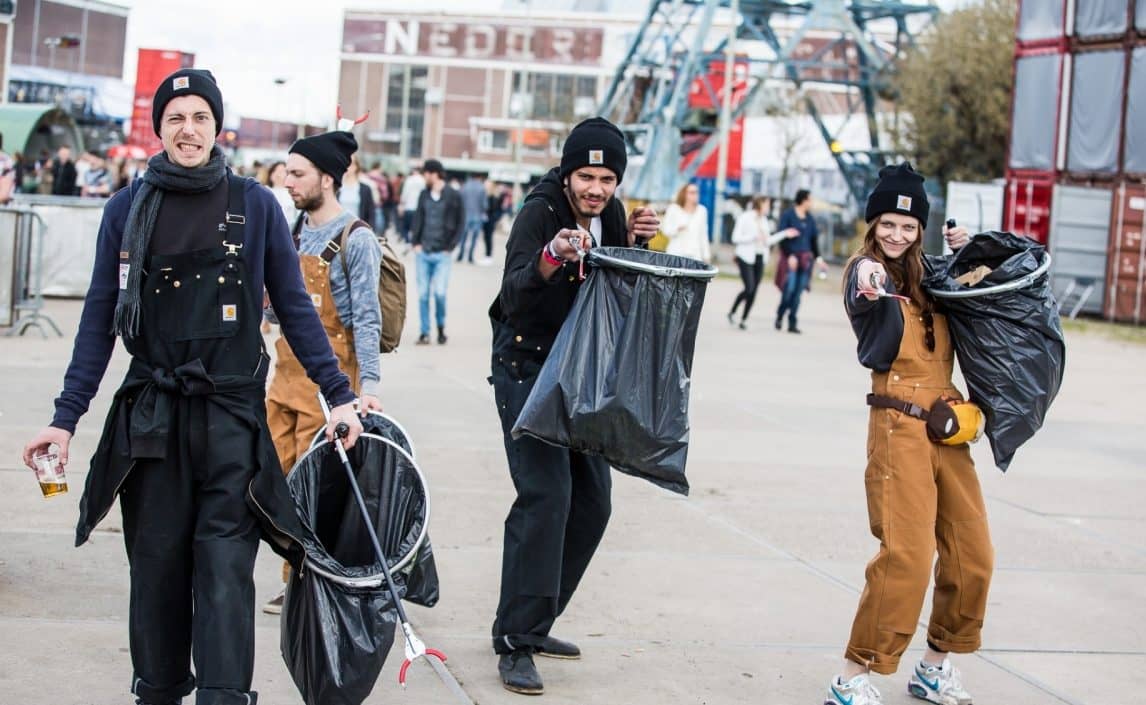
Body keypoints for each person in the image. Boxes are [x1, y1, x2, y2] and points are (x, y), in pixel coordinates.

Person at [20, 68, 364, 705]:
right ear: (160, 129)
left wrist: (338, 395)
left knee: (227, 573)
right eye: (175, 117)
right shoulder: (126, 208)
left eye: (199, 117)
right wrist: (65, 419)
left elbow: (293, 307)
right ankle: (158, 690)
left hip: (231, 420)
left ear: (216, 126)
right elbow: (99, 319)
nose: (188, 129)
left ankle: (225, 697)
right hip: (151, 423)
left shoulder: (254, 204)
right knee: (156, 572)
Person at [488, 116, 660, 696]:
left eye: (607, 177)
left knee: (593, 503)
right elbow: (512, 294)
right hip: (526, 368)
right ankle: (516, 641)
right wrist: (552, 254)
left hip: (582, 375)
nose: (596, 188)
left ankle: (535, 622)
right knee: (547, 497)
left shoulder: (611, 213)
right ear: (567, 172)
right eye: (587, 176)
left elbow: (612, 287)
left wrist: (634, 245)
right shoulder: (539, 211)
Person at [824, 162, 983, 705]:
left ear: (921, 231)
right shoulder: (864, 272)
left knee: (972, 552)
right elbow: (863, 288)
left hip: (948, 428)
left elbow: (982, 295)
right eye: (888, 223)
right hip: (898, 428)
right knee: (907, 557)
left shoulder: (932, 277)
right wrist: (872, 279)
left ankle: (934, 666)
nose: (897, 234)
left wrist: (971, 256)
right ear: (873, 225)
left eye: (909, 226)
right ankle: (852, 676)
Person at [261, 130, 384, 614]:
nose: (286, 181)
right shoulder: (291, 231)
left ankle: (306, 582)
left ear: (327, 179)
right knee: (275, 480)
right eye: (285, 172)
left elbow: (367, 320)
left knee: (314, 487)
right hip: (283, 380)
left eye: (297, 173)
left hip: (329, 387)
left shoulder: (356, 239)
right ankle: (294, 573)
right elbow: (277, 312)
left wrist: (368, 389)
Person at [410, 158, 463, 345]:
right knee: (423, 294)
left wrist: (452, 246)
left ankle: (441, 328)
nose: (425, 176)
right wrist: (414, 242)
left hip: (442, 253)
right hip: (423, 251)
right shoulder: (424, 194)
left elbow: (460, 222)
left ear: (435, 174)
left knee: (440, 293)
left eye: (426, 173)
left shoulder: (453, 195)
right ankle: (425, 332)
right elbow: (418, 218)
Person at [727, 196, 790, 329]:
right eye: (767, 204)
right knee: (749, 287)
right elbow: (735, 237)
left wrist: (784, 234)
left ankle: (744, 319)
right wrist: (753, 237)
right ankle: (733, 311)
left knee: (754, 290)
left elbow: (767, 241)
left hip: (760, 257)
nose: (769, 207)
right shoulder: (745, 217)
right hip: (745, 257)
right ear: (760, 204)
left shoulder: (764, 221)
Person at [774, 189, 826, 333]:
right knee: (789, 290)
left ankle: (792, 322)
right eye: (810, 200)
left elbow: (814, 241)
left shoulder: (810, 219)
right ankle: (780, 315)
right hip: (791, 259)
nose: (811, 203)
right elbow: (782, 237)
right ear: (803, 200)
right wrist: (790, 255)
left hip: (805, 261)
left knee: (798, 293)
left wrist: (819, 259)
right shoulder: (788, 216)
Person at [660, 182, 711, 262]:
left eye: (697, 192)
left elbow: (703, 235)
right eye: (692, 192)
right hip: (676, 253)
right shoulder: (673, 209)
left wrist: (706, 256)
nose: (696, 195)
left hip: (695, 255)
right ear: (684, 194)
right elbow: (665, 230)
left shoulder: (702, 210)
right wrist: (677, 229)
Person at [338, 152, 376, 226]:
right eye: (345, 163)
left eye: (351, 164)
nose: (348, 167)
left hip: (358, 229)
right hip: (338, 229)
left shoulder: (365, 189)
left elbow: (371, 213)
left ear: (356, 166)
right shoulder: (337, 187)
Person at [458, 172, 487, 263]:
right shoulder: (482, 188)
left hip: (465, 214)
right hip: (477, 215)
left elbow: (460, 201)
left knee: (463, 236)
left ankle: (461, 254)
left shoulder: (465, 186)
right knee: (474, 237)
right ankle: (470, 255)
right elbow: (484, 205)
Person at [262, 160, 297, 225]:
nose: (277, 174)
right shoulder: (264, 190)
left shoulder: (293, 192)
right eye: (274, 171)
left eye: (281, 171)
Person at [398, 166, 425, 244]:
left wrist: (401, 205)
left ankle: (407, 241)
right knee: (415, 227)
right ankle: (413, 241)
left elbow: (405, 194)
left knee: (406, 227)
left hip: (408, 206)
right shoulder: (423, 180)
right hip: (418, 208)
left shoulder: (409, 180)